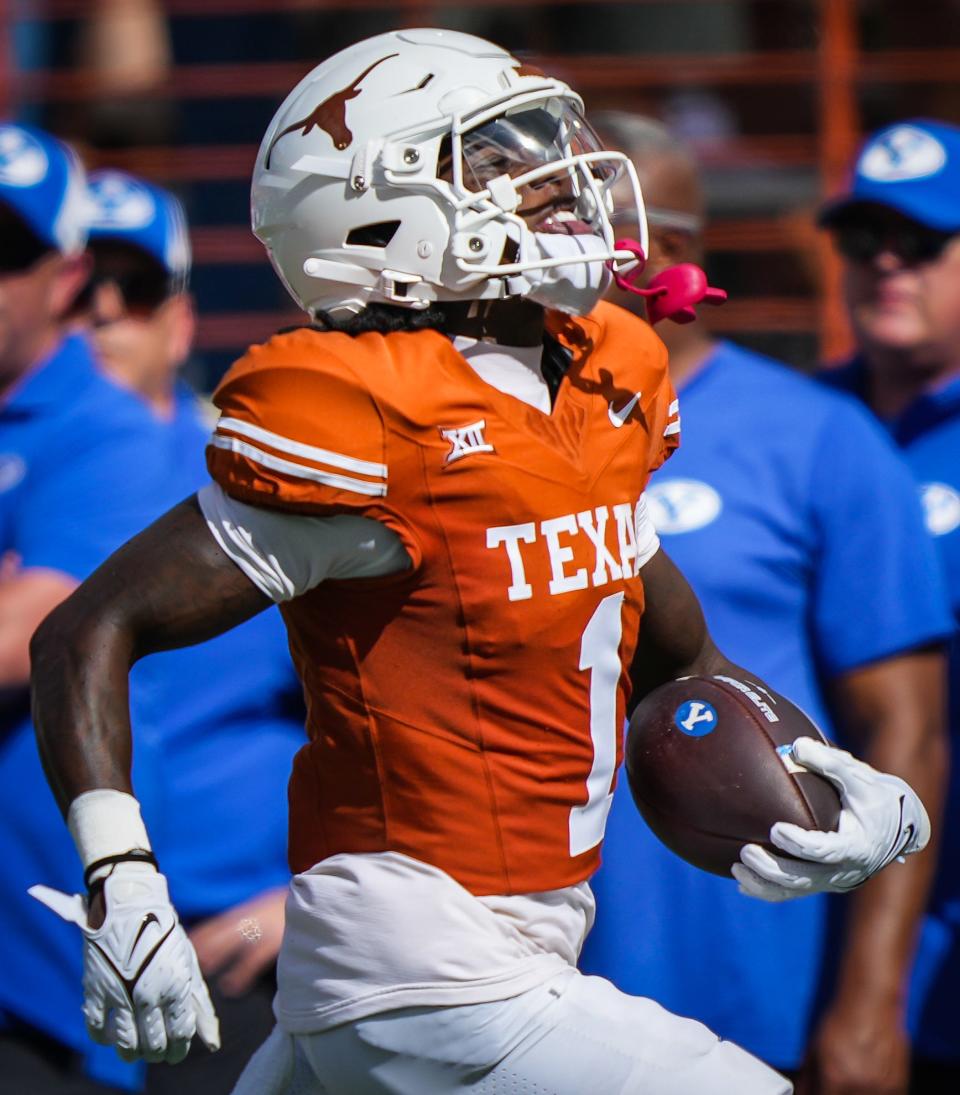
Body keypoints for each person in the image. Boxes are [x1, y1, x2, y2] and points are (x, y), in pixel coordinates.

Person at [26, 31, 934, 1095]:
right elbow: (86, 629)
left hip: (504, 948)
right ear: (370, 213)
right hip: (415, 957)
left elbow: (679, 657)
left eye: (546, 143)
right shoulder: (360, 415)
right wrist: (120, 873)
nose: (558, 179)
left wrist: (856, 788)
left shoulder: (599, 377)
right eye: (498, 157)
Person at [577, 112, 953, 1095]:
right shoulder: (497, 436)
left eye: (583, 222)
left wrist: (871, 1003)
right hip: (529, 976)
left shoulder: (820, 437)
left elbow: (905, 733)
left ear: (674, 250)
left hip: (749, 982)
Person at [79, 169, 306, 1095]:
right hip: (38, 963)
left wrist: (299, 908)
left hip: (231, 957)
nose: (94, 312)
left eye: (126, 290)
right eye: (63, 282)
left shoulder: (269, 486)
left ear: (178, 320)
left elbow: (409, 722)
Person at [0, 123, 169, 1093]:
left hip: (37, 980)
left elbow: (25, 636)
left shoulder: (106, 433)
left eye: (5, 254)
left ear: (65, 279)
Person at [818, 118, 960, 1094]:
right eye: (863, 242)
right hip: (830, 931)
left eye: (922, 243)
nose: (886, 266)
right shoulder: (800, 433)